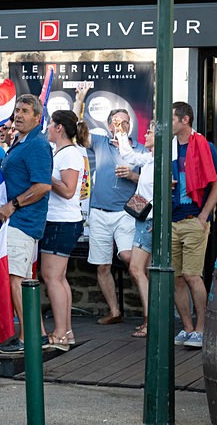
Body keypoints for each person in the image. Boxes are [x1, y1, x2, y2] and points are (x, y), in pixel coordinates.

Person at [74, 85, 144, 325]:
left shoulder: (140, 150)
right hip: (99, 212)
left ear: (130, 125)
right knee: (102, 266)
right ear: (109, 125)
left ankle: (150, 310)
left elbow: (152, 183)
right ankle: (115, 312)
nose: (121, 126)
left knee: (128, 257)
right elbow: (76, 132)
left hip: (127, 213)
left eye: (124, 122)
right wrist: (80, 100)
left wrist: (133, 176)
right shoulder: (101, 142)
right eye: (116, 122)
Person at [0, 94, 52, 354]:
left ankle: (25, 339)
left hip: (23, 221)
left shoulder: (37, 144)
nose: (18, 114)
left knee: (15, 279)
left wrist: (13, 205)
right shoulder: (20, 140)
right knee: (25, 279)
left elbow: (43, 186)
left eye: (25, 111)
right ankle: (38, 335)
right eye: (17, 109)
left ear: (37, 118)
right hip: (19, 222)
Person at [170, 102, 217, 349]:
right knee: (177, 278)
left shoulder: (205, 146)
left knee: (192, 275)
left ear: (185, 120)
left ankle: (201, 329)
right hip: (171, 219)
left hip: (194, 219)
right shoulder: (166, 148)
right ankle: (188, 328)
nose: (167, 125)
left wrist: (204, 216)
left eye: (171, 119)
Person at [40, 110, 87, 352]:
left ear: (59, 128)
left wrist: (45, 177)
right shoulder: (64, 152)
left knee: (52, 278)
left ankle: (59, 333)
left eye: (50, 124)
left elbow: (68, 190)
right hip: (62, 221)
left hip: (61, 221)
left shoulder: (69, 154)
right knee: (59, 278)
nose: (47, 127)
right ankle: (66, 331)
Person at [117, 122, 156, 338]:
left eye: (150, 132)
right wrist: (122, 134)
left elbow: (166, 192)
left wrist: (158, 221)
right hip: (144, 218)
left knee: (136, 269)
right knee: (146, 271)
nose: (145, 134)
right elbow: (130, 156)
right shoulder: (150, 158)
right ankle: (151, 319)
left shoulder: (161, 162)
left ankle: (150, 321)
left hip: (150, 221)